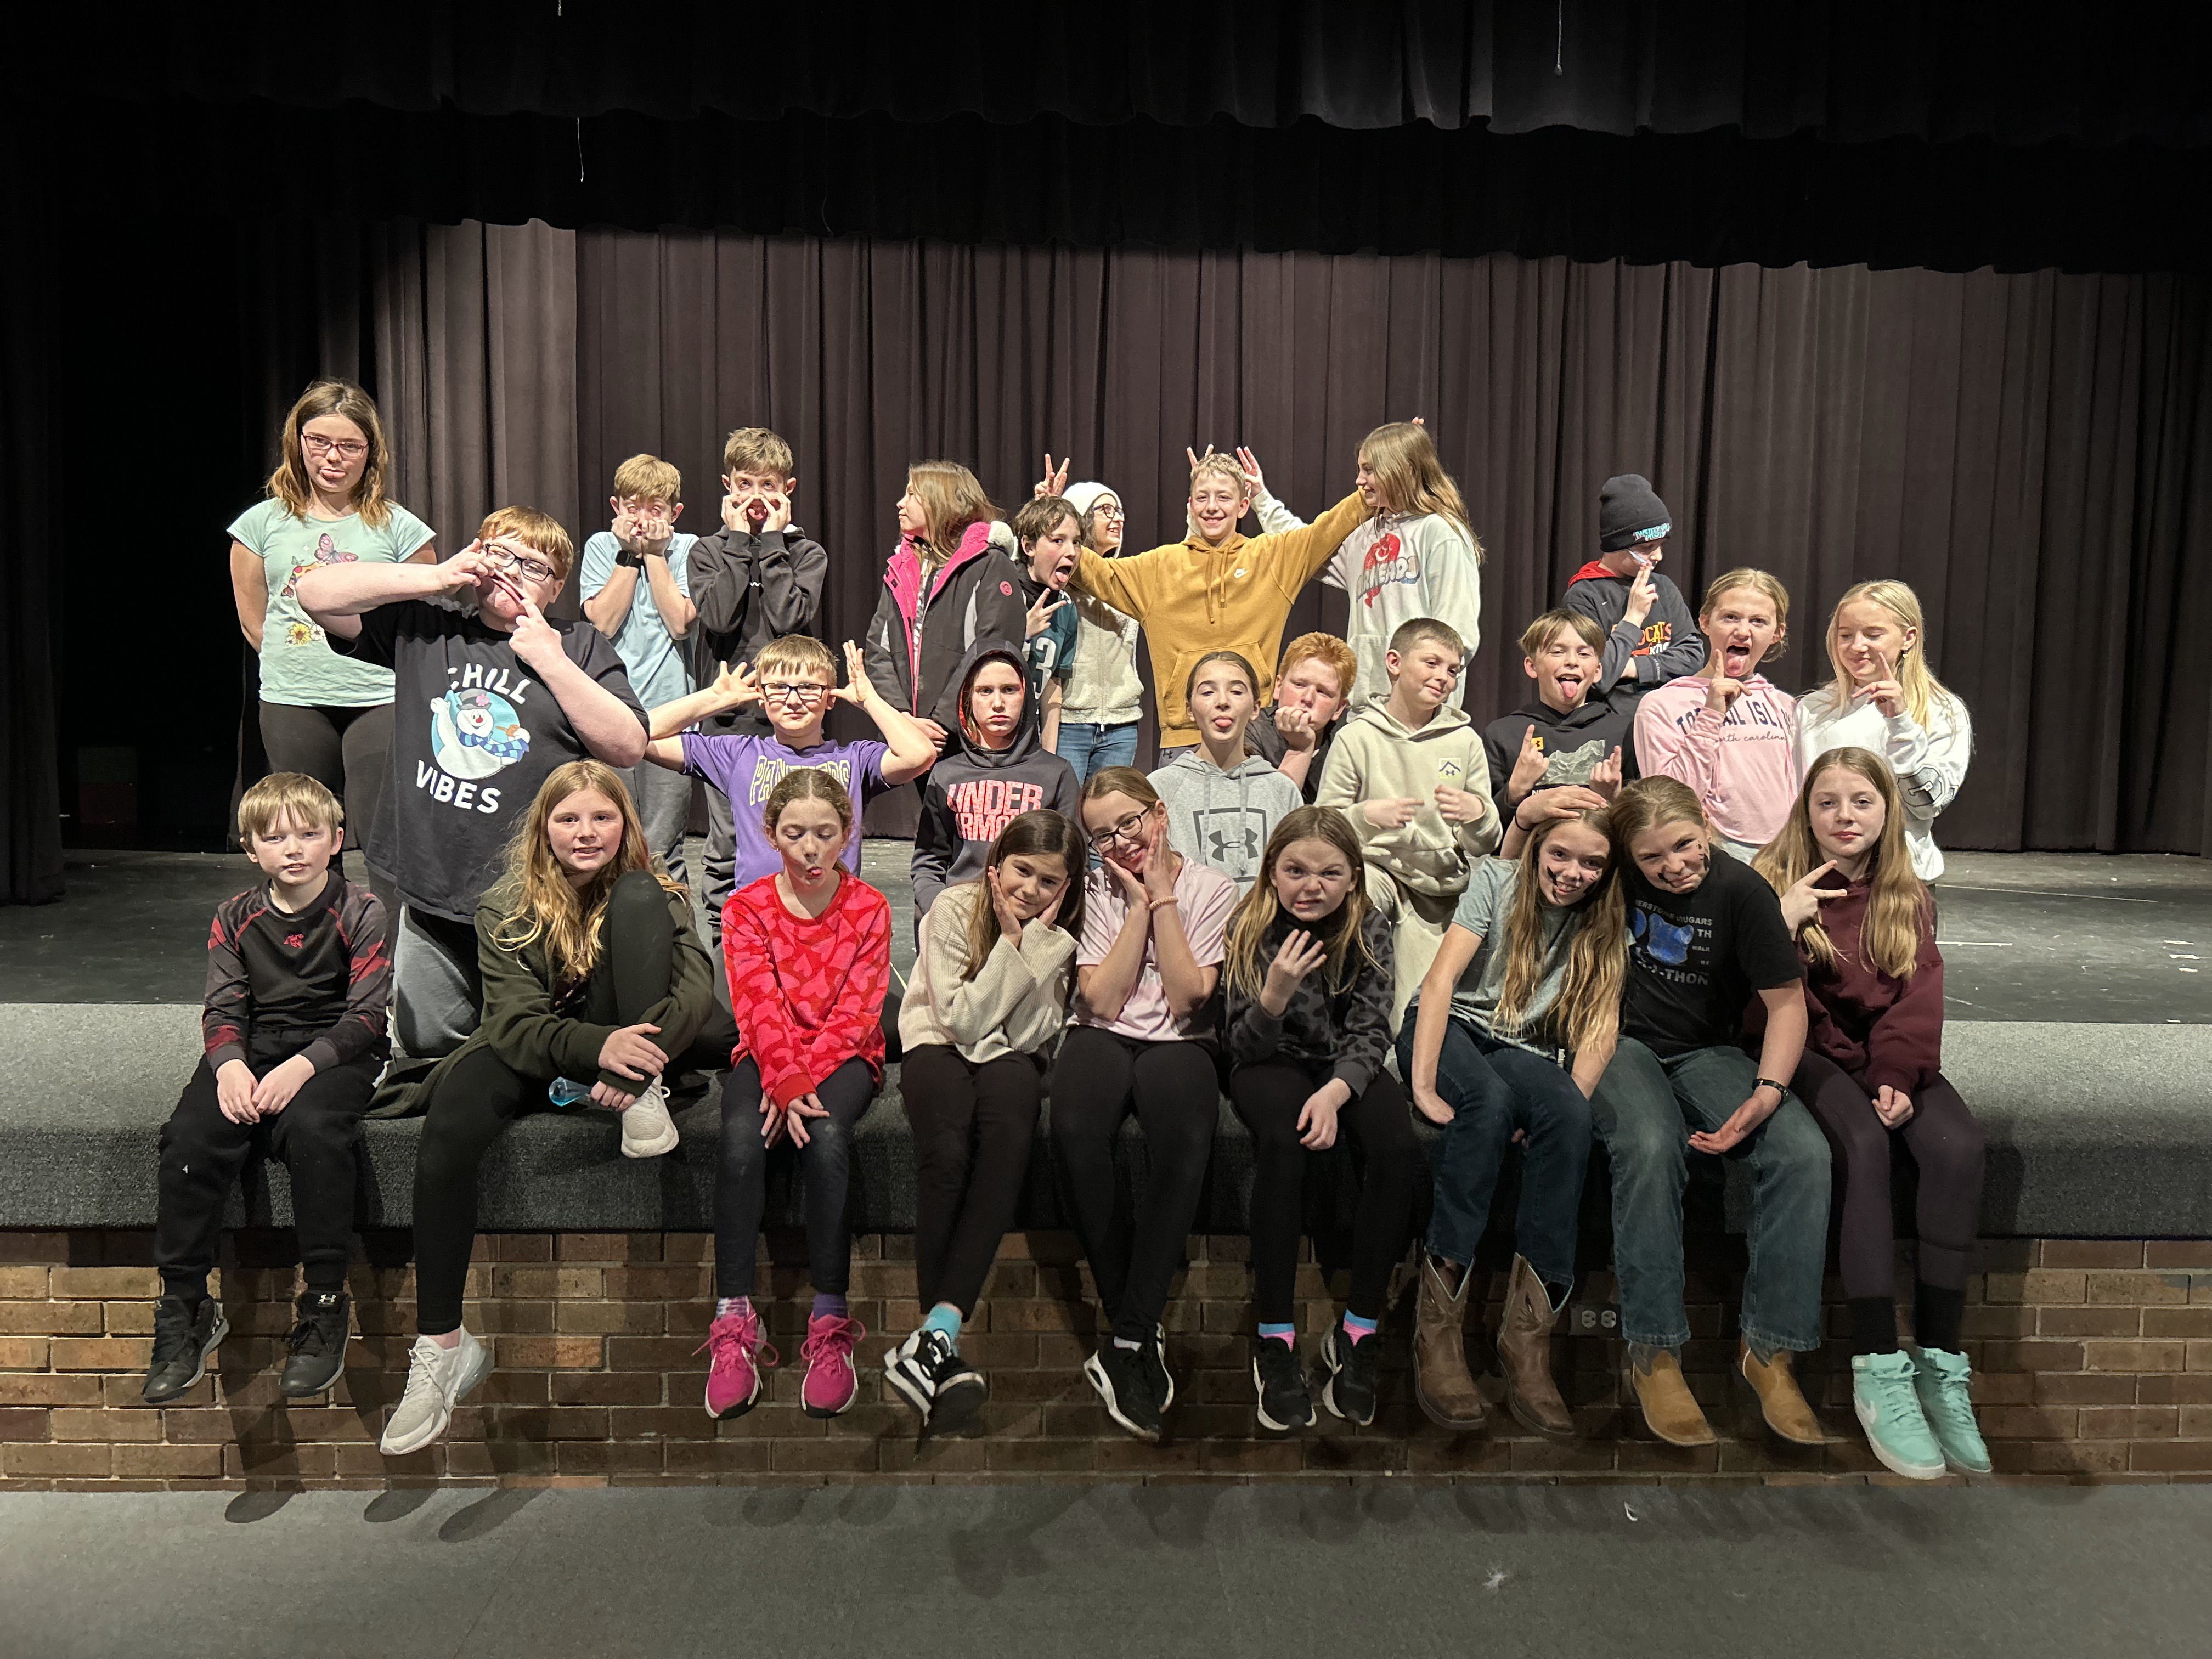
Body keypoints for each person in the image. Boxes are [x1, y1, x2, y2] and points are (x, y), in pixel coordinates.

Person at [378, 763, 730, 1454]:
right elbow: (513, 1027)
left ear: (626, 824)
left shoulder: (657, 893)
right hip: (542, 1049)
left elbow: (695, 995)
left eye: (602, 817)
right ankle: (442, 1343)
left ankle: (643, 1092)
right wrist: (607, 1051)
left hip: (624, 1043)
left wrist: (633, 1066)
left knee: (637, 902)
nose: (586, 832)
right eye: (568, 819)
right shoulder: (503, 905)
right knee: (451, 1119)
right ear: (543, 829)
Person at [296, 509, 648, 1064]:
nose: (513, 572)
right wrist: (436, 576)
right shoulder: (431, 628)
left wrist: (550, 661)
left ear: (557, 587)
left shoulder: (578, 646)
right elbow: (315, 592)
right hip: (435, 884)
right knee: (427, 1040)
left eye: (535, 566)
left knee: (534, 1035)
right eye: (502, 556)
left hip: (532, 895)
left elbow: (627, 744)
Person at [1754, 748, 1991, 1479]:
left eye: (1861, 802)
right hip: (1811, 1052)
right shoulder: (1771, 883)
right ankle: (1877, 1366)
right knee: (1862, 1148)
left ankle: (1942, 1364)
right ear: (1806, 811)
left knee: (1956, 1149)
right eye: (1828, 802)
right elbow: (1763, 1004)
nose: (1845, 817)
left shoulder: (1906, 894)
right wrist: (1781, 921)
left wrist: (1893, 1073)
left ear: (1887, 811)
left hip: (1885, 1057)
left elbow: (1917, 1003)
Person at [1589, 777, 1830, 1451]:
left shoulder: (1742, 891)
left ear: (1705, 823)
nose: (1673, 865)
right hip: (1619, 1041)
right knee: (1647, 1142)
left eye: (1684, 845)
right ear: (1627, 857)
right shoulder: (1610, 872)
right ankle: (1655, 1352)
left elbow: (1787, 1004)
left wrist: (1768, 1090)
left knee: (1802, 1154)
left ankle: (1771, 1352)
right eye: (1652, 857)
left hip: (1706, 1051)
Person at [142, 773, 390, 1407]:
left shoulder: (362, 910)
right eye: (274, 837)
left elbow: (366, 1015)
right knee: (191, 1140)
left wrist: (303, 1067)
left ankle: (326, 1302)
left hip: (334, 1048)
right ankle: (186, 1308)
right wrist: (229, 1066)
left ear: (336, 839)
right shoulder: (235, 915)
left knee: (313, 1131)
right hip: (254, 1047)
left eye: (309, 834)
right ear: (252, 848)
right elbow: (223, 1005)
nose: (294, 848)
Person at [1400, 803, 1626, 1438]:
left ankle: (1528, 1340)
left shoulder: (1608, 916)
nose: (1573, 872)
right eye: (1560, 855)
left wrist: (1568, 1102)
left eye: (1591, 862)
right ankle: (1437, 1326)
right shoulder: (1497, 882)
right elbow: (1441, 983)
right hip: (1449, 1028)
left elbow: (1601, 1020)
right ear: (1537, 849)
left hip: (1521, 1046)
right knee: (1489, 1105)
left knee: (1568, 1114)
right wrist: (1420, 1079)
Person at [1051, 768, 1239, 1442]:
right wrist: (1134, 906)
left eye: (1129, 823)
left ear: (1158, 814)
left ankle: (1129, 1336)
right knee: (1073, 1129)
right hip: (1103, 1035)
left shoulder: (1212, 888)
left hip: (1181, 1042)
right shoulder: (1098, 887)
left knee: (1186, 1141)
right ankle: (1134, 1329)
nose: (1121, 842)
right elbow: (1099, 1001)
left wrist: (1162, 899)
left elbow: (1190, 998)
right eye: (1102, 835)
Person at [701, 770, 892, 1422]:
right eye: (795, 833)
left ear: (848, 833)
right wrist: (783, 1080)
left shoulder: (870, 906)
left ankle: (830, 1319)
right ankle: (733, 1321)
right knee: (738, 1141)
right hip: (769, 1052)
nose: (811, 848)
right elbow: (756, 1004)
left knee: (828, 1136)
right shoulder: (746, 906)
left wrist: (803, 1085)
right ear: (771, 834)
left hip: (844, 1056)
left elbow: (859, 1011)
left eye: (825, 833)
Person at [887, 809, 1086, 1430]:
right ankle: (937, 1340)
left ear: (1067, 888)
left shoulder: (1062, 938)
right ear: (997, 864)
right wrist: (1012, 949)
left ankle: (934, 1338)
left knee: (1006, 1145)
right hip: (935, 1045)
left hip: (1011, 1058)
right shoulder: (952, 907)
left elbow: (1031, 1035)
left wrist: (1035, 948)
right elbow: (960, 1022)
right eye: (1022, 872)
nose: (1031, 891)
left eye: (1049, 882)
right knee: (945, 1154)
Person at [1221, 806, 1415, 1432]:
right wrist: (1274, 994)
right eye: (1296, 871)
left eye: (1330, 873)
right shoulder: (1251, 927)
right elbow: (1241, 1048)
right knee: (1285, 1142)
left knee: (1396, 1149)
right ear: (1272, 875)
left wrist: (1336, 1092)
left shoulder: (1369, 929)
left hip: (1342, 1066)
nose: (1313, 886)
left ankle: (1359, 1329)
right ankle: (1274, 1335)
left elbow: (1371, 1029)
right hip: (1270, 1060)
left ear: (1354, 878)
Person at [228, 379, 436, 918]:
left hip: (379, 698)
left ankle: (389, 969)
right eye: (319, 441)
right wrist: (300, 665)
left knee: (383, 841)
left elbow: (420, 624)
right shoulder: (261, 525)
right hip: (294, 700)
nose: (333, 457)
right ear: (297, 441)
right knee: (307, 837)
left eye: (350, 446)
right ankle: (323, 958)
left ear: (371, 452)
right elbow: (256, 624)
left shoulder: (401, 529)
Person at [1069, 449, 1369, 753]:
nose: (1212, 507)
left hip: (1253, 739)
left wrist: (1376, 484)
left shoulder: (1273, 558)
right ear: (1190, 505)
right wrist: (1052, 521)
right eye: (1202, 498)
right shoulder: (1159, 567)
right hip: (1182, 741)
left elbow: (1328, 529)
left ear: (1243, 506)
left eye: (1223, 498)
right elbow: (1095, 571)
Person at [642, 635, 934, 946]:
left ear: (830, 697)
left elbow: (920, 754)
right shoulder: (738, 755)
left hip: (833, 925)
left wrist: (870, 702)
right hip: (758, 925)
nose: (793, 700)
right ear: (761, 697)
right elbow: (639, 735)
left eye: (809, 687)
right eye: (779, 687)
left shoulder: (854, 760)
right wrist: (712, 700)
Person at [1315, 617, 1502, 1025]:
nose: (1443, 678)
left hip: (1443, 889)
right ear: (1395, 662)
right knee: (1357, 894)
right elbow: (1323, 827)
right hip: (1381, 873)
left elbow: (1485, 842)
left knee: (1418, 1013)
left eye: (1453, 670)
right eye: (1432, 663)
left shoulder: (1465, 740)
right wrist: (1366, 816)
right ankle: (1337, 1018)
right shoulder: (1357, 736)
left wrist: (1479, 814)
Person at [683, 426, 829, 934]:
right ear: (727, 487)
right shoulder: (705, 551)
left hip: (787, 721)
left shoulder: (806, 553)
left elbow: (789, 617)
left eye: (769, 485)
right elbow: (720, 617)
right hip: (730, 722)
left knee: (788, 832)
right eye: (745, 484)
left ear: (788, 490)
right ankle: (727, 948)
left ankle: (787, 935)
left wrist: (770, 544)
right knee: (729, 841)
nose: (756, 497)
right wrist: (741, 544)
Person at [1233, 428, 1484, 711]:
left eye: (1369, 470)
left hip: (1424, 713)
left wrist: (1426, 696)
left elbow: (1456, 632)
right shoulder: (1365, 536)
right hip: (1365, 708)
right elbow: (1304, 547)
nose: (1359, 481)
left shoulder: (1441, 533)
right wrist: (1261, 499)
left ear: (1403, 470)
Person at [1792, 581, 1972, 881]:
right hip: (1821, 875)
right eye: (1846, 635)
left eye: (1873, 635)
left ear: (1908, 637)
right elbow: (1796, 798)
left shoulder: (1941, 710)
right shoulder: (1812, 709)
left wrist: (1900, 721)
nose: (1857, 646)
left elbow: (1928, 804)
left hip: (1901, 880)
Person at [580, 453, 701, 885]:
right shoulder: (600, 547)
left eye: (656, 510)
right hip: (609, 715)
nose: (643, 520)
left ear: (675, 514)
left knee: (661, 847)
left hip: (672, 720)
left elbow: (680, 624)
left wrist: (655, 554)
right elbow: (604, 622)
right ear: (617, 508)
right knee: (608, 841)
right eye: (634, 508)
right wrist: (628, 557)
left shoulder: (690, 549)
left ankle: (672, 945)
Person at [862, 460, 1029, 751]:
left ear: (941, 500)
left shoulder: (989, 564)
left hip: (961, 740)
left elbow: (993, 650)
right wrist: (900, 718)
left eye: (912, 494)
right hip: (903, 737)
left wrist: (941, 723)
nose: (901, 503)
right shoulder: (902, 567)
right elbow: (879, 649)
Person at [1634, 569, 1799, 862]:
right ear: (1706, 622)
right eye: (1731, 618)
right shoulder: (1662, 704)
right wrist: (1710, 714)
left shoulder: (1786, 706)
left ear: (1778, 633)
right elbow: (1667, 802)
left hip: (1786, 853)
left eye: (1758, 621)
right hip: (1714, 854)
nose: (1743, 631)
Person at [911, 642, 1083, 919]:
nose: (998, 703)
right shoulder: (945, 774)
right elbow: (929, 862)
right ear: (968, 699)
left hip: (1030, 916)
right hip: (958, 915)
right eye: (985, 691)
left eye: (1009, 690)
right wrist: (940, 913)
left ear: (1026, 696)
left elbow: (1074, 864)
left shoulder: (1056, 774)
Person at [1149, 650, 1303, 893]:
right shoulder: (1162, 786)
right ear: (1190, 709)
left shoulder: (1281, 789)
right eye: (1208, 692)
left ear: (1255, 708)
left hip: (1261, 927)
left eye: (1236, 691)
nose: (1223, 702)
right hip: (1188, 927)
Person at [1560, 473, 1706, 721]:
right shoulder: (1584, 597)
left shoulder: (1664, 587)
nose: (1658, 556)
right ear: (1618, 545)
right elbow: (1597, 676)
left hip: (1672, 716)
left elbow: (1693, 656)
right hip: (1615, 724)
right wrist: (1633, 618)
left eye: (1661, 545)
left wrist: (1632, 668)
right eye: (1648, 548)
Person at [1482, 609, 1635, 827]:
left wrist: (1614, 798)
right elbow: (1486, 834)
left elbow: (1639, 830)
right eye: (1558, 652)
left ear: (1598, 671)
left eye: (1584, 654)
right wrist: (1514, 790)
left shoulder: (1622, 731)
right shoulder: (1503, 734)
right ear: (1532, 666)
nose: (1572, 661)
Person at [1056, 481, 1145, 785]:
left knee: (1108, 820)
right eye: (1105, 510)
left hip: (1121, 724)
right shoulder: (1060, 581)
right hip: (1071, 722)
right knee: (1067, 817)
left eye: (1119, 510)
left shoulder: (1129, 579)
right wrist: (1052, 512)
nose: (1117, 518)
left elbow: (1182, 569)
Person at [1243, 632, 1357, 803]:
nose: (1308, 698)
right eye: (1299, 685)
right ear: (1278, 686)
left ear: (1339, 708)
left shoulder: (1348, 742)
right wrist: (1300, 748)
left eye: (1323, 692)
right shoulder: (1251, 730)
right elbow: (1267, 810)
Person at [1012, 493, 1083, 754]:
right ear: (1029, 547)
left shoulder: (1065, 607)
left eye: (1076, 542)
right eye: (1058, 541)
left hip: (1029, 743)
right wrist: (1023, 632)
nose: (1071, 552)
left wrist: (1049, 758)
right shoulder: (1001, 589)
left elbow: (1053, 688)